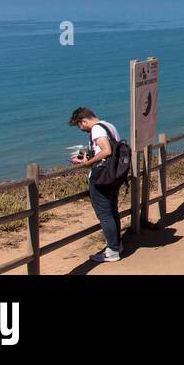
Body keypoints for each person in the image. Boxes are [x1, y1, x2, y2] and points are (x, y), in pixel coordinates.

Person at [69, 107, 124, 263]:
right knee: (112, 211)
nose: (82, 130)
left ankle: (112, 251)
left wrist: (88, 162)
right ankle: (117, 245)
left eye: (80, 126)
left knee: (104, 214)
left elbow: (106, 151)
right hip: (113, 175)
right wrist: (90, 155)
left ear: (83, 121)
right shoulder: (109, 126)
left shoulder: (97, 129)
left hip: (102, 178)